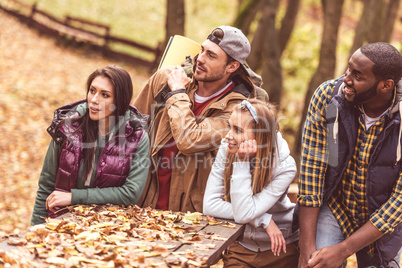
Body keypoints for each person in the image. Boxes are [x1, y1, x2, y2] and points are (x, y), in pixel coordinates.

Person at [134, 25, 267, 212]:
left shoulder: (238, 110)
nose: (201, 59)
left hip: (191, 220)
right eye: (202, 50)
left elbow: (189, 140)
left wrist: (177, 92)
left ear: (232, 66)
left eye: (211, 56)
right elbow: (131, 126)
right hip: (142, 204)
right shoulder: (167, 77)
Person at [298, 42, 402, 268]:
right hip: (338, 206)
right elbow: (311, 172)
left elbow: (399, 201)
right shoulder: (328, 97)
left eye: (358, 75)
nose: (346, 79)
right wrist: (306, 250)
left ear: (386, 85)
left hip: (387, 222)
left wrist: (343, 250)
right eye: (348, 69)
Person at [31, 65, 150, 225]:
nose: (94, 100)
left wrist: (74, 197)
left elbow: (130, 194)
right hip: (60, 225)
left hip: (107, 231)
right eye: (92, 90)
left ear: (120, 101)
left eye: (105, 95)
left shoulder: (137, 137)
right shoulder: (67, 128)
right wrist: (35, 229)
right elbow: (46, 185)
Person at [203, 98, 299, 267]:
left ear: (260, 136)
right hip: (240, 246)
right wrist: (263, 219)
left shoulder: (285, 166)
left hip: (281, 248)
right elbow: (210, 205)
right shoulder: (227, 149)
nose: (228, 136)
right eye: (229, 126)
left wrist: (241, 161)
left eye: (237, 130)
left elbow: (244, 214)